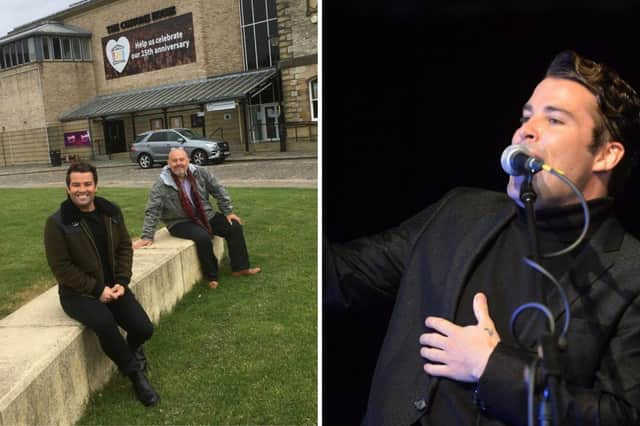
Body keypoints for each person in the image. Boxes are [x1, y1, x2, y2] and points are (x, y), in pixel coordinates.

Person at [324, 50, 640, 425]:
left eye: (554, 119)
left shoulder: (630, 274)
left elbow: (622, 416)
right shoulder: (459, 213)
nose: (526, 130)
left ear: (606, 155)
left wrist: (492, 367)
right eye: (526, 117)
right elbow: (340, 276)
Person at [44, 161, 160, 407]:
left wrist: (121, 282)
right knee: (105, 323)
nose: (81, 189)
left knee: (144, 329)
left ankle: (132, 349)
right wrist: (97, 290)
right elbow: (61, 268)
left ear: (96, 186)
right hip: (78, 294)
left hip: (114, 287)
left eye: (87, 184)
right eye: (76, 185)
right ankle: (134, 373)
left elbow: (124, 248)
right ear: (67, 188)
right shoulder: (57, 223)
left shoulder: (111, 212)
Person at [134, 147, 261, 288]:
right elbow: (153, 209)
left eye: (181, 159)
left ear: (188, 160)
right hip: (179, 222)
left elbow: (218, 189)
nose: (178, 163)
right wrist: (147, 236)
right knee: (203, 237)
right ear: (168, 163)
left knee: (234, 226)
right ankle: (212, 276)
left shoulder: (200, 172)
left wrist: (227, 212)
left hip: (205, 214)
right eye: (174, 160)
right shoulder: (161, 184)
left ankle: (240, 268)